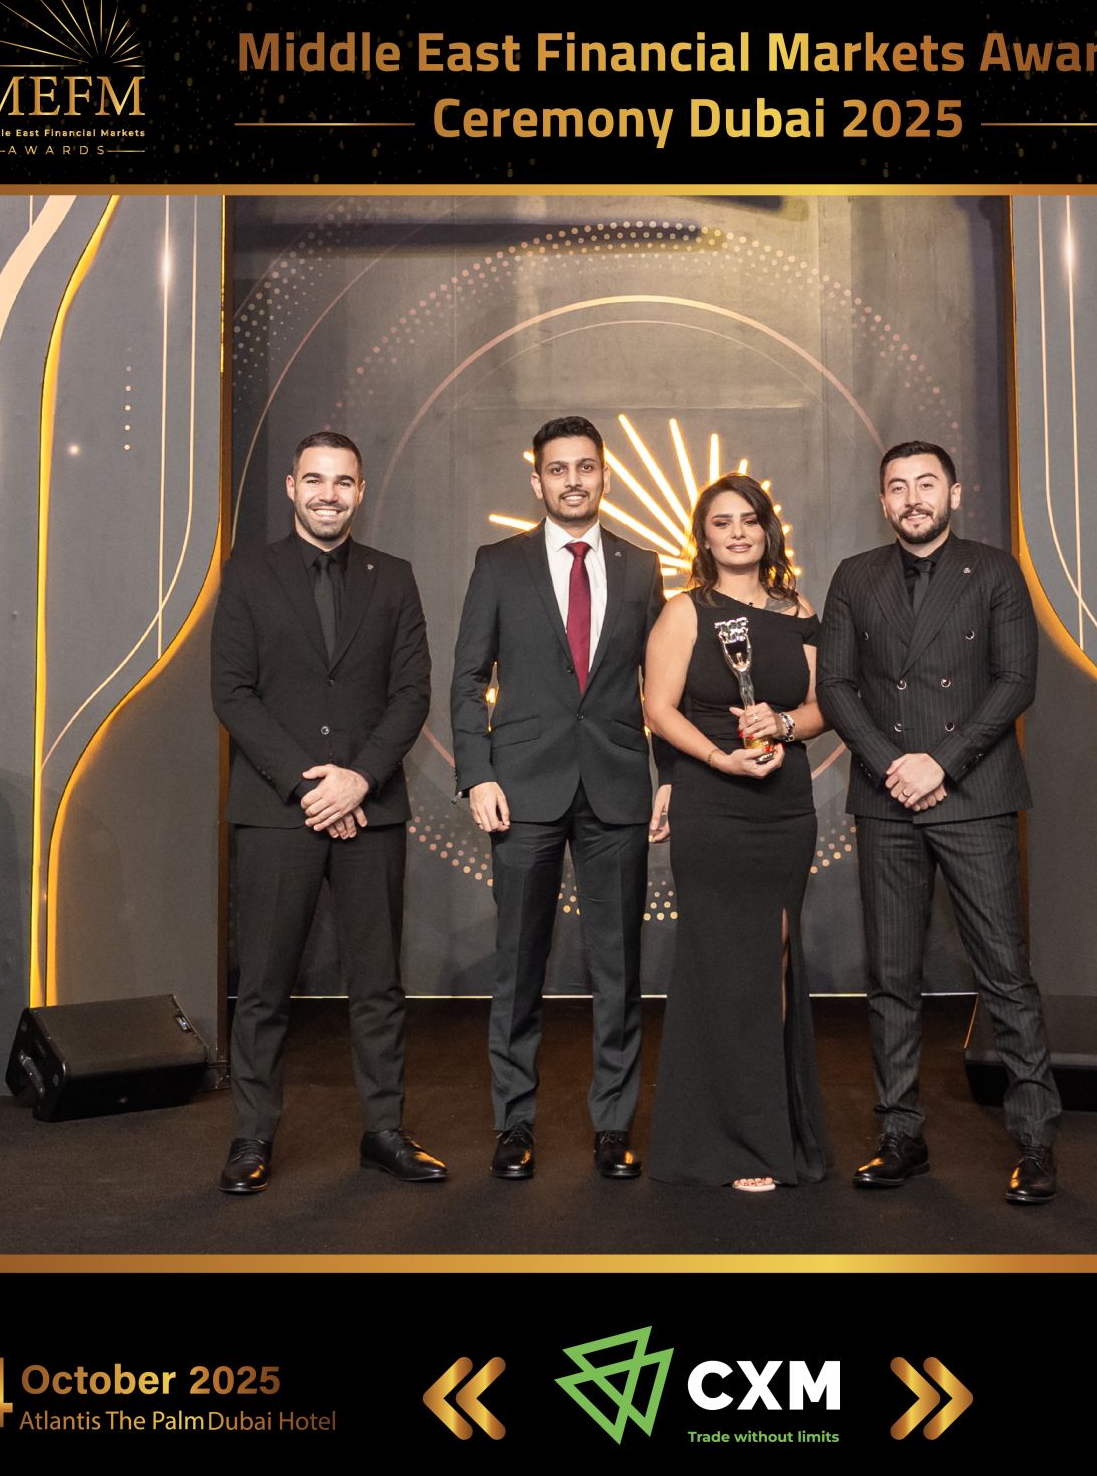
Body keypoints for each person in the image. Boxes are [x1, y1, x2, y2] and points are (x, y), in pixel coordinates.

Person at [816, 440, 1062, 1203]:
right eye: (898, 487)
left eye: (927, 484)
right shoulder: (855, 576)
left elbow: (1016, 681)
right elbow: (836, 686)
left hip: (974, 794)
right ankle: (900, 1135)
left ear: (954, 494)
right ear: (883, 501)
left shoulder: (993, 571)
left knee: (1004, 971)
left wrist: (940, 763)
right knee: (891, 977)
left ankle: (1035, 1141)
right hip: (885, 795)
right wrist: (895, 764)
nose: (912, 498)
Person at [211, 430, 444, 1194]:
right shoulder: (248, 574)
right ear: (291, 487)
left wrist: (359, 780)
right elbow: (232, 692)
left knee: (378, 986)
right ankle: (252, 1137)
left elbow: (412, 692)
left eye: (343, 482)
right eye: (315, 479)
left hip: (370, 811)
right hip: (278, 810)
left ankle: (384, 1132)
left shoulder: (393, 577)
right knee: (265, 985)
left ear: (361, 491)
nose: (328, 494)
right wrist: (311, 786)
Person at [450, 415, 671, 1180]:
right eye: (557, 469)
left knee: (618, 969)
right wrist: (477, 772)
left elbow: (663, 685)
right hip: (520, 791)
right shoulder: (498, 563)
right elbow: (467, 678)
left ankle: (613, 1125)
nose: (572, 481)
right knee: (517, 968)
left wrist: (671, 776)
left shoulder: (642, 567)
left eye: (584, 467)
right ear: (536, 480)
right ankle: (514, 1124)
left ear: (604, 475)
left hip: (617, 789)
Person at [644, 474, 831, 1192]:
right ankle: (726, 1141)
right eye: (722, 522)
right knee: (721, 965)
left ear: (767, 529)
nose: (738, 533)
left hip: (783, 804)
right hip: (712, 800)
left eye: (749, 520)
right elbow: (659, 709)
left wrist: (781, 724)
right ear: (705, 536)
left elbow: (822, 705)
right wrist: (721, 757)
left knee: (775, 959)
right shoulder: (684, 612)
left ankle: (768, 1131)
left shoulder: (798, 610)